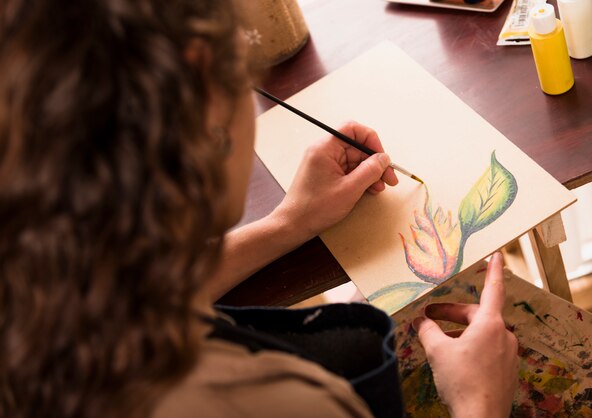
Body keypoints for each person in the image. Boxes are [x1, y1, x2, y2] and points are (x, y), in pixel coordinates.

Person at [0, 1, 518, 417]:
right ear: (206, 102)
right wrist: (480, 401)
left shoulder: (39, 286)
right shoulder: (274, 401)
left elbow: (133, 295)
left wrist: (289, 223)